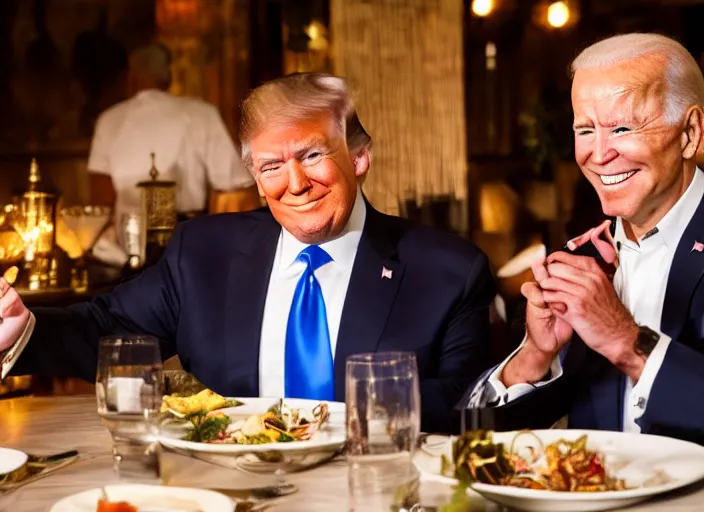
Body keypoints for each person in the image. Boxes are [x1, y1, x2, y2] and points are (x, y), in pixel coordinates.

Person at [0, 72, 496, 433]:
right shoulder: (204, 253)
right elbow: (106, 330)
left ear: (360, 157)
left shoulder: (448, 271)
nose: (295, 183)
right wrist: (21, 328)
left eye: (312, 155)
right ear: (256, 179)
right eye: (272, 165)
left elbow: (468, 404)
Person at [462, 33, 704, 443]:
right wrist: (534, 356)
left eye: (623, 126)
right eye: (586, 129)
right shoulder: (579, 258)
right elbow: (475, 438)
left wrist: (626, 341)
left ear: (689, 134)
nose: (600, 153)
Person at [87, 43, 260, 238]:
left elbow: (101, 200)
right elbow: (235, 185)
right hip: (190, 238)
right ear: (168, 77)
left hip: (126, 245)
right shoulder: (202, 114)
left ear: (131, 77)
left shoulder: (109, 120)